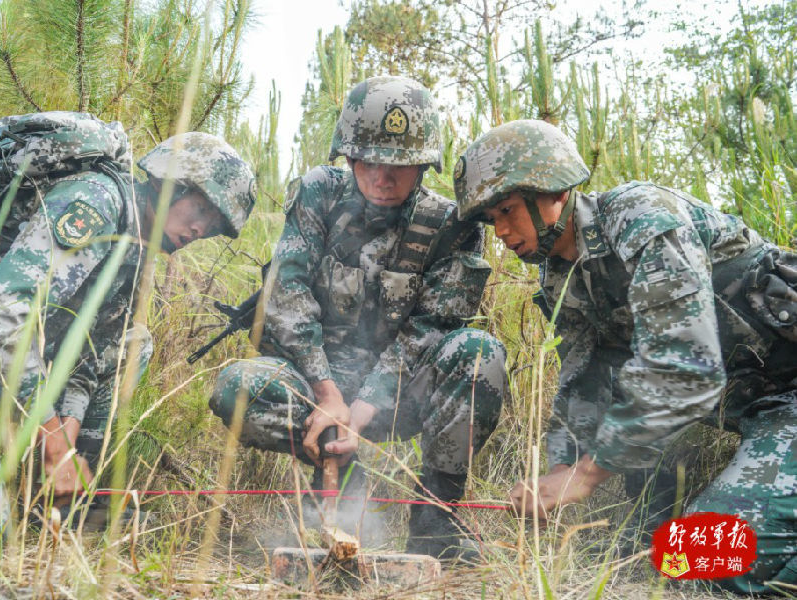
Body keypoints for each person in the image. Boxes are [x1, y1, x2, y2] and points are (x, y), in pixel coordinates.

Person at [454, 118, 797, 594]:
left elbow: (687, 372)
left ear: (553, 192)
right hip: (760, 413)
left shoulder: (642, 217)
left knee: (699, 556)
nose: (502, 232)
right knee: (659, 553)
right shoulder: (561, 278)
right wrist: (560, 468)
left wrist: (587, 474)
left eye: (508, 210)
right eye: (492, 220)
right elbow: (583, 381)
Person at [0, 114, 256, 546]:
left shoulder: (134, 248)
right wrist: (51, 442)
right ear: (167, 182)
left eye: (213, 227)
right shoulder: (96, 203)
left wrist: (64, 436)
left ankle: (48, 499)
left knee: (132, 344)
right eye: (199, 208)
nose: (200, 230)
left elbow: (91, 353)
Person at [210, 76, 508, 561]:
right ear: (348, 157)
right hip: (315, 388)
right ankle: (342, 480)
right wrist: (328, 396)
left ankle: (436, 516)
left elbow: (431, 327)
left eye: (399, 166)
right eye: (368, 162)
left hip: (398, 395)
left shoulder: (451, 225)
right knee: (237, 386)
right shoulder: (318, 194)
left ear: (423, 165)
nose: (382, 178)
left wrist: (362, 408)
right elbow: (287, 292)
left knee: (480, 355)